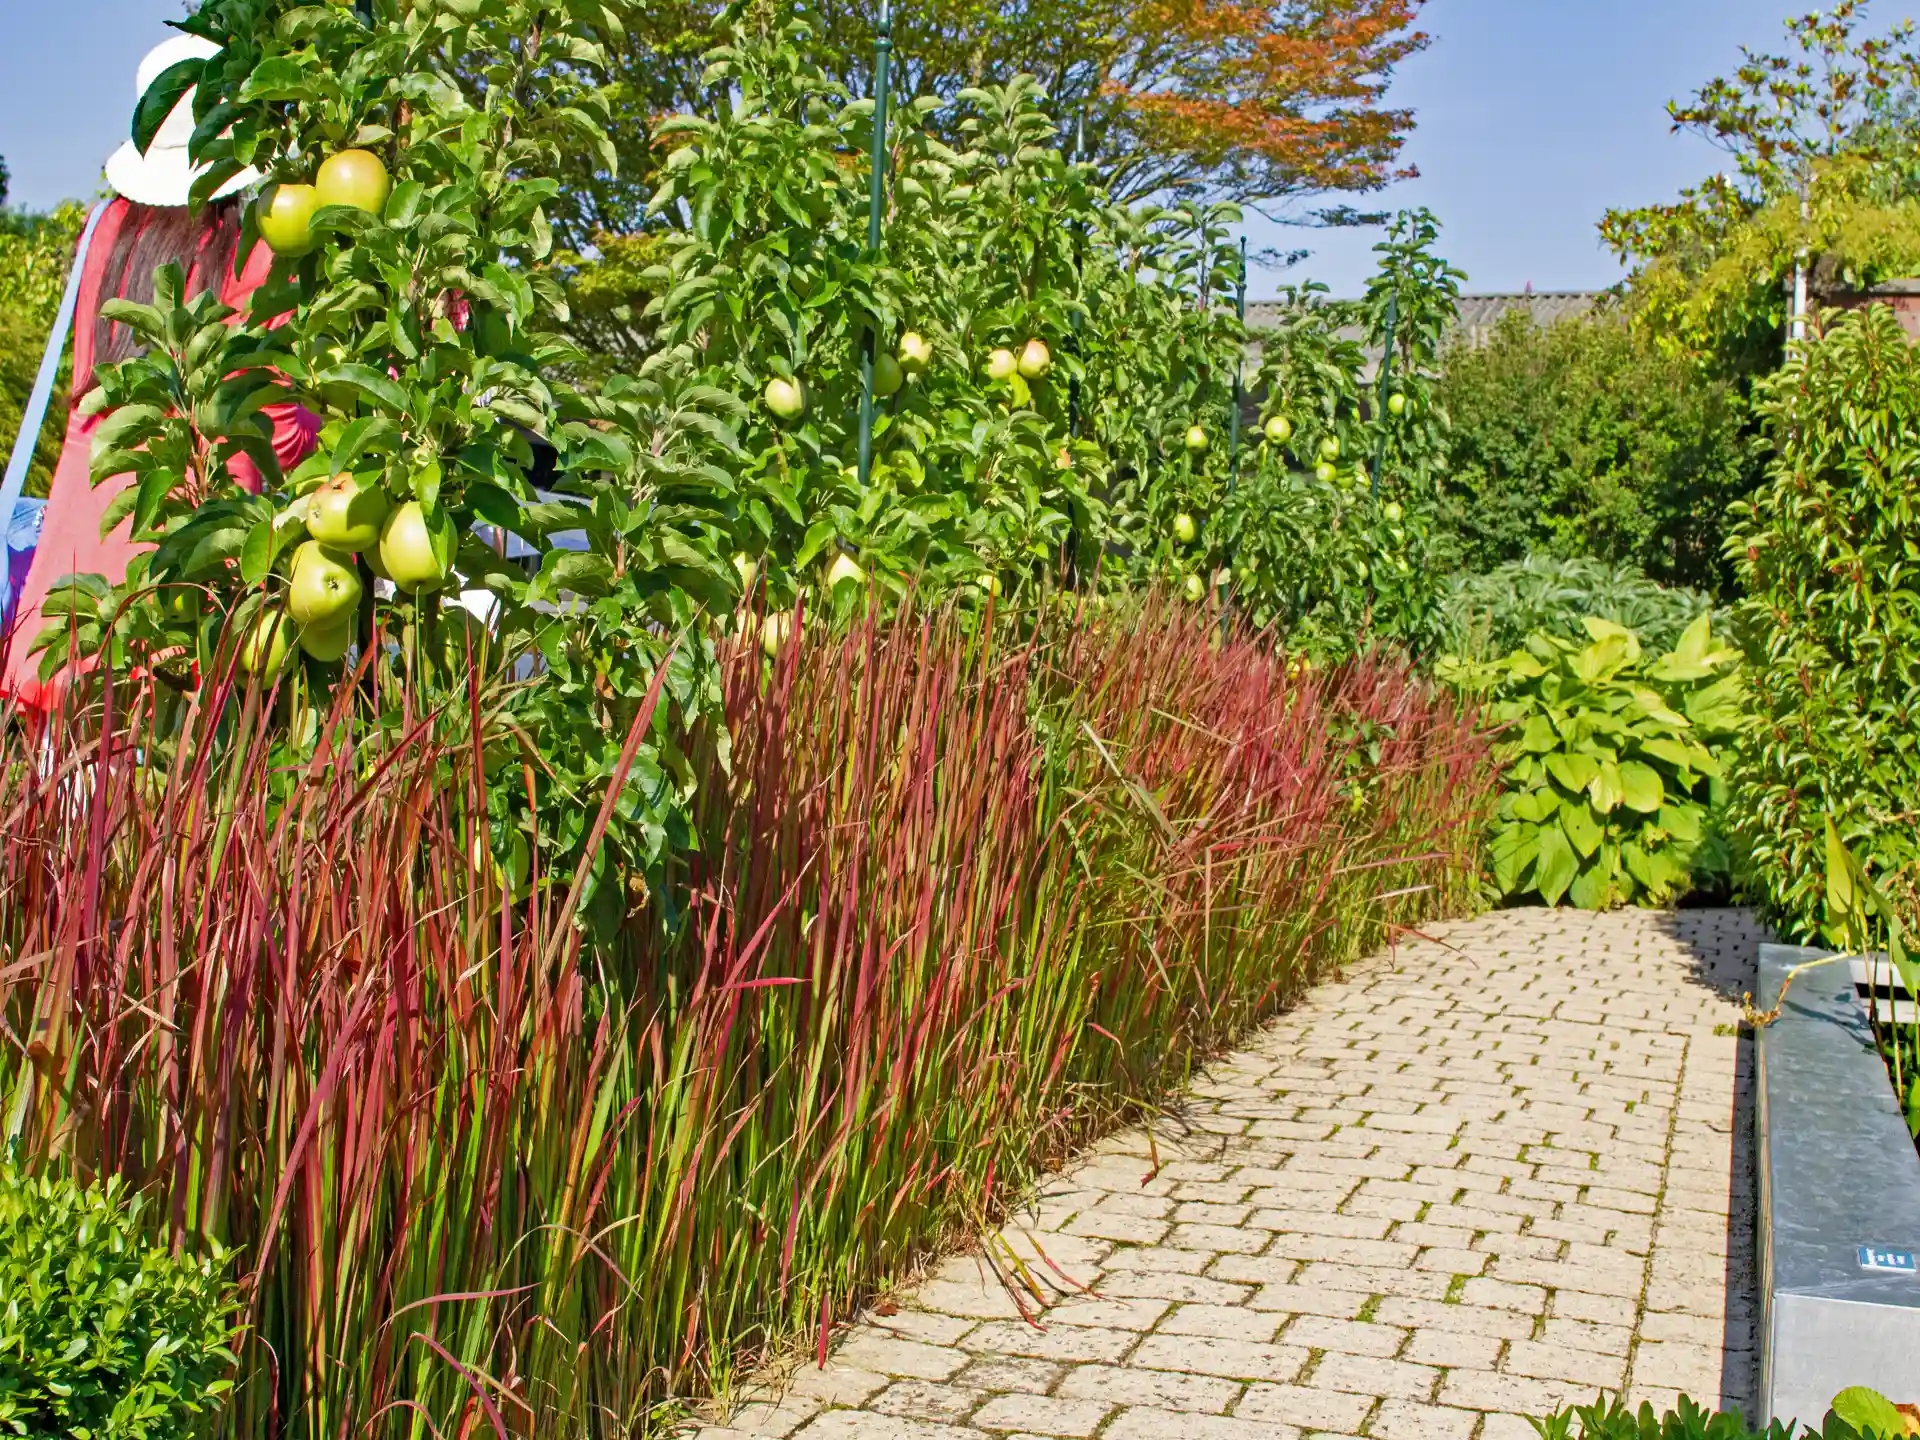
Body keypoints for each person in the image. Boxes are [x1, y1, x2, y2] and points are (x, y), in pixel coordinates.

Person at [0, 34, 319, 708]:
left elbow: (85, 382)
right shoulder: (257, 241)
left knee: (72, 799)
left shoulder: (106, 228)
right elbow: (279, 426)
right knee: (171, 791)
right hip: (194, 553)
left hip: (75, 556)